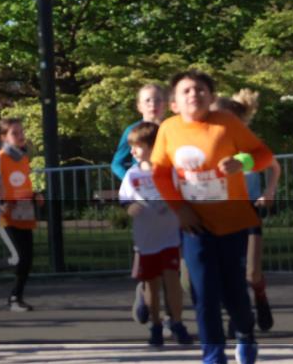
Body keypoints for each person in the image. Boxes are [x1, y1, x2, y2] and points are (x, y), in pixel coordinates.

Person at [150, 70, 275, 364]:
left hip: (232, 221)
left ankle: (245, 334)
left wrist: (242, 161)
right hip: (195, 225)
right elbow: (160, 174)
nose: (194, 94)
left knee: (234, 293)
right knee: (204, 293)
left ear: (212, 96)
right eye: (187, 91)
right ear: (174, 103)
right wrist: (179, 209)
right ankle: (213, 356)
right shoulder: (168, 129)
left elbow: (264, 154)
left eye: (201, 89)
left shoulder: (226, 123)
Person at [118, 122, 194, 347]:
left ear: (154, 147)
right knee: (151, 284)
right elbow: (125, 201)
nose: (132, 151)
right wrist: (129, 208)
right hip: (146, 239)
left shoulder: (168, 170)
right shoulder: (131, 175)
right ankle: (156, 324)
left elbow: (183, 193)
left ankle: (177, 322)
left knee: (172, 280)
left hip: (170, 236)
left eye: (137, 146)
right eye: (131, 146)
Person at [211, 91, 278, 332]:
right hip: (220, 215)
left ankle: (260, 297)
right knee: (225, 272)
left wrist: (269, 191)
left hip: (248, 213)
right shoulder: (211, 147)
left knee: (251, 272)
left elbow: (274, 165)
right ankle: (236, 316)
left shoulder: (249, 146)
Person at [110, 83, 168, 325]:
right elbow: (116, 163)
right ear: (139, 106)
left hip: (168, 201)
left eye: (157, 100)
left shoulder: (171, 128)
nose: (153, 104)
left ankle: (167, 315)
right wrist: (137, 182)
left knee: (171, 262)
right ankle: (144, 292)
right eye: (147, 100)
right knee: (148, 257)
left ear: (166, 104)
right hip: (145, 202)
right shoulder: (132, 131)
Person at [0, 117, 41, 312]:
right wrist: (1, 204)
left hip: (24, 214)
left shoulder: (23, 158)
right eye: (15, 133)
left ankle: (16, 297)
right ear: (4, 137)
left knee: (27, 259)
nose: (21, 136)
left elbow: (24, 183)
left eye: (22, 132)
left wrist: (35, 195)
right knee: (17, 257)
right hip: (6, 215)